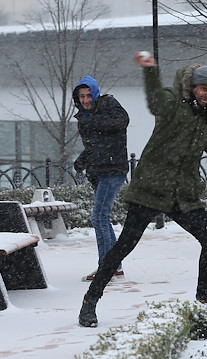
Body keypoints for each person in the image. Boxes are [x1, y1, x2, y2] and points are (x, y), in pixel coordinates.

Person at [78, 53, 207, 327]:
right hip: (153, 188)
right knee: (124, 246)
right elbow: (156, 101)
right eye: (204, 88)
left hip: (183, 194)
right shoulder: (173, 102)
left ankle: (204, 301)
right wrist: (150, 71)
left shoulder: (206, 116)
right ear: (192, 86)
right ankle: (90, 301)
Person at [73, 76, 130, 282]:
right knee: (102, 217)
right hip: (99, 171)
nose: (86, 100)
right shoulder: (84, 116)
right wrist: (82, 160)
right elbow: (96, 145)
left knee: (99, 217)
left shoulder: (108, 103)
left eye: (89, 95)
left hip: (113, 169)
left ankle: (105, 268)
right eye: (82, 96)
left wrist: (92, 120)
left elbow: (122, 121)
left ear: (95, 93)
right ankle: (115, 265)